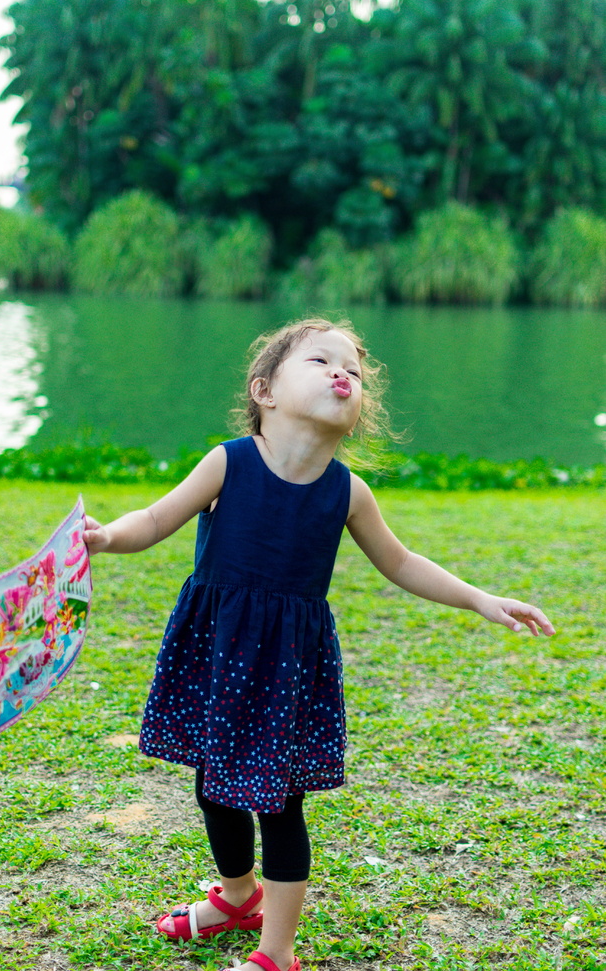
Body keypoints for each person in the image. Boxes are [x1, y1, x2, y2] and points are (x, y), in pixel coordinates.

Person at [83, 317, 554, 971]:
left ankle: (276, 951)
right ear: (265, 391)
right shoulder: (228, 463)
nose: (342, 374)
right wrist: (108, 537)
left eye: (352, 370)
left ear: (357, 412)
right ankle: (238, 897)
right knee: (214, 786)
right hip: (219, 648)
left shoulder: (348, 492)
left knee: (280, 805)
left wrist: (479, 598)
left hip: (288, 667)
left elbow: (401, 561)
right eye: (321, 361)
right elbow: (158, 518)